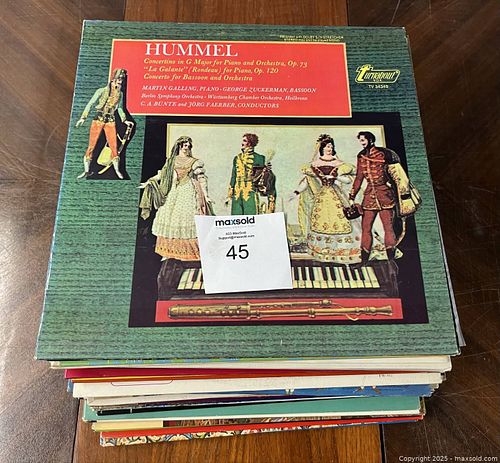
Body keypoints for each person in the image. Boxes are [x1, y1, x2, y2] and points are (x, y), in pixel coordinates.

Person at [139, 136, 213, 261]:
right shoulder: (172, 161)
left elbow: (201, 178)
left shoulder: (194, 161)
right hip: (174, 190)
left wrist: (206, 195)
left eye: (189, 146)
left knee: (186, 219)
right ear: (179, 146)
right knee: (169, 217)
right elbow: (162, 175)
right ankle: (168, 253)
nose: (187, 148)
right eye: (185, 145)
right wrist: (148, 182)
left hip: (188, 190)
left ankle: (190, 254)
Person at [292, 134, 361, 264]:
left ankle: (343, 250)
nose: (330, 148)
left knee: (342, 220)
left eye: (331, 146)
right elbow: (307, 181)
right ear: (322, 148)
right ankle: (324, 251)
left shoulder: (339, 163)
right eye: (328, 146)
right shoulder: (314, 164)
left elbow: (347, 180)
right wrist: (296, 192)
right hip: (322, 196)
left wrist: (335, 177)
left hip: (336, 194)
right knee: (321, 221)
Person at [349, 131, 403, 265]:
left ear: (371, 140)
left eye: (363, 140)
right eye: (360, 140)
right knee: (366, 228)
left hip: (385, 194)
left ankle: (391, 261)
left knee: (388, 228)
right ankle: (364, 261)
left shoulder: (384, 154)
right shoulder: (361, 156)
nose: (362, 143)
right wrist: (352, 196)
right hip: (369, 196)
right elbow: (359, 178)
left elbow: (396, 173)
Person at [75, 68, 134, 179]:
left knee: (113, 146)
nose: (119, 82)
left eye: (121, 80)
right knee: (91, 146)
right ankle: (86, 170)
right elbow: (90, 103)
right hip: (98, 119)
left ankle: (117, 170)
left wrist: (124, 120)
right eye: (118, 80)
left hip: (110, 120)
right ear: (113, 79)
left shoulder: (120, 94)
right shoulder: (101, 91)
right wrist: (83, 118)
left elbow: (120, 108)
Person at [226, 133, 276, 215]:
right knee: (236, 217)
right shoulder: (236, 158)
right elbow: (233, 176)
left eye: (244, 141)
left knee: (251, 217)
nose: (242, 143)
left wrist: (266, 171)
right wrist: (229, 195)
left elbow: (266, 177)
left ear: (250, 143)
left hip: (251, 192)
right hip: (237, 193)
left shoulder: (260, 158)